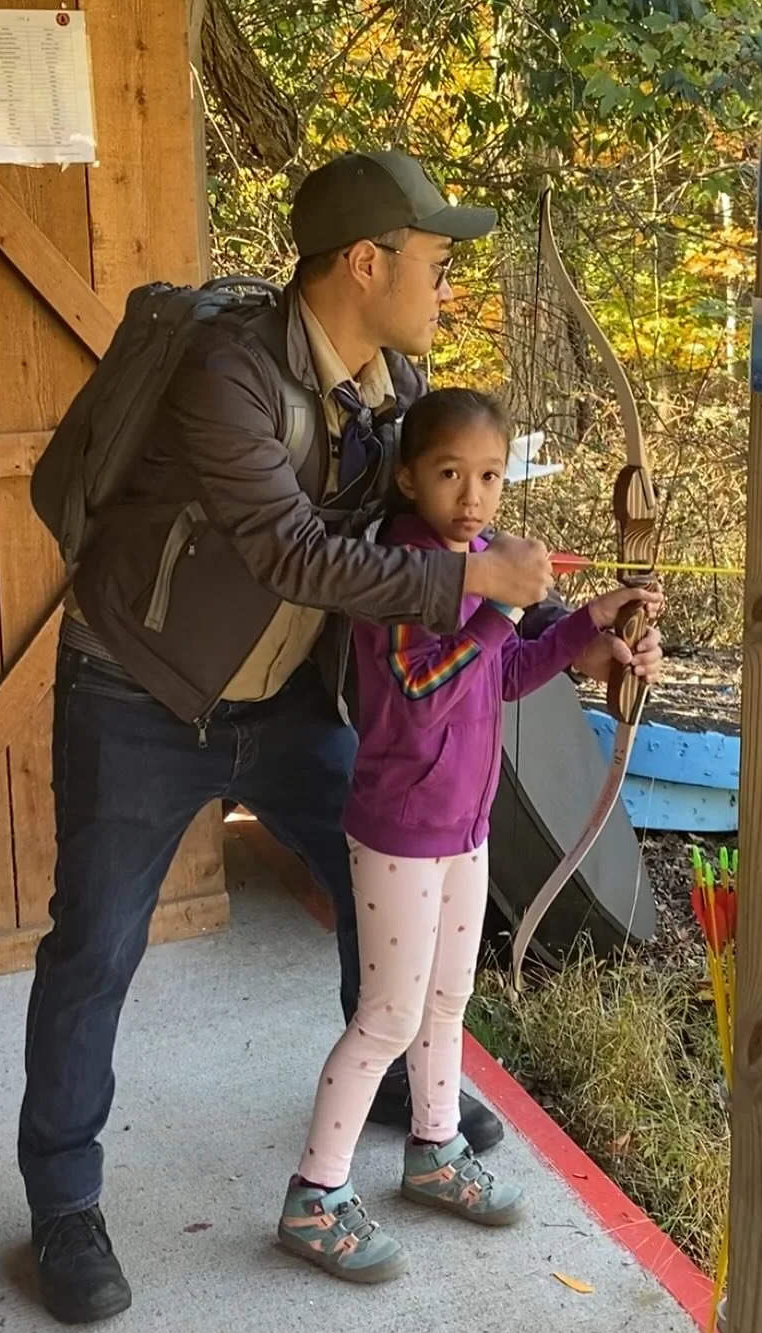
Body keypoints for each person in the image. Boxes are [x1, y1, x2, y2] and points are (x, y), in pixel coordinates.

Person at [18, 149, 665, 1325]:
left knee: (385, 874)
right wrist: (482, 577)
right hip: (138, 694)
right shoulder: (228, 370)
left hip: (280, 704)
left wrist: (575, 622)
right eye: (434, 260)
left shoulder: (392, 379)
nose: (446, 284)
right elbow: (293, 552)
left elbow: (427, 528)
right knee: (94, 945)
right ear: (366, 263)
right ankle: (63, 1201)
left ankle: (406, 1091)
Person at [276, 389, 664, 1281]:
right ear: (410, 476)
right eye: (450, 473)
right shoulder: (404, 568)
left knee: (448, 1002)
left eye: (488, 475)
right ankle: (314, 1194)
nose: (472, 495)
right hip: (402, 828)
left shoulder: (481, 558)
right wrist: (496, 606)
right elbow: (422, 685)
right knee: (387, 1015)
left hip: (463, 822)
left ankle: (434, 1148)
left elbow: (506, 672)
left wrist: (590, 625)